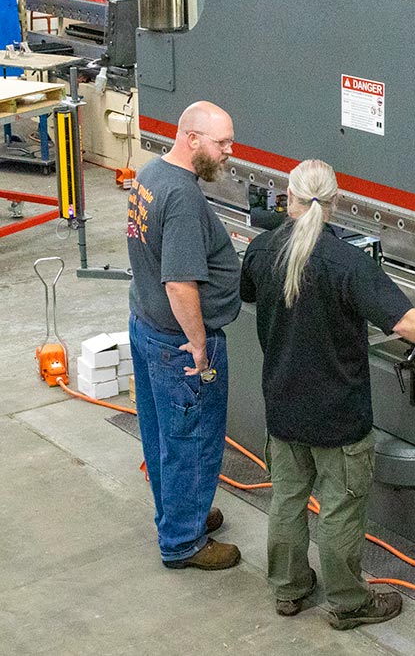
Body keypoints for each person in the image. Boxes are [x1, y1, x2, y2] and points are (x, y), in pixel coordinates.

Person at [240, 158, 415, 629]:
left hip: (282, 406)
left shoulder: (262, 250)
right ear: (337, 202)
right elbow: (407, 324)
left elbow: (250, 296)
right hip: (338, 417)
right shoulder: (348, 264)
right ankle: (349, 603)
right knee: (340, 512)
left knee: (287, 499)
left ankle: (289, 589)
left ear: (289, 197)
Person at [126, 100, 242, 571]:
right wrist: (198, 345)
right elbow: (179, 282)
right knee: (191, 440)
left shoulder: (151, 174)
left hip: (147, 326)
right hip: (179, 344)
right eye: (222, 143)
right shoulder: (183, 198)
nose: (229, 152)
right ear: (191, 138)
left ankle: (182, 512)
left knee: (160, 436)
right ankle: (183, 542)